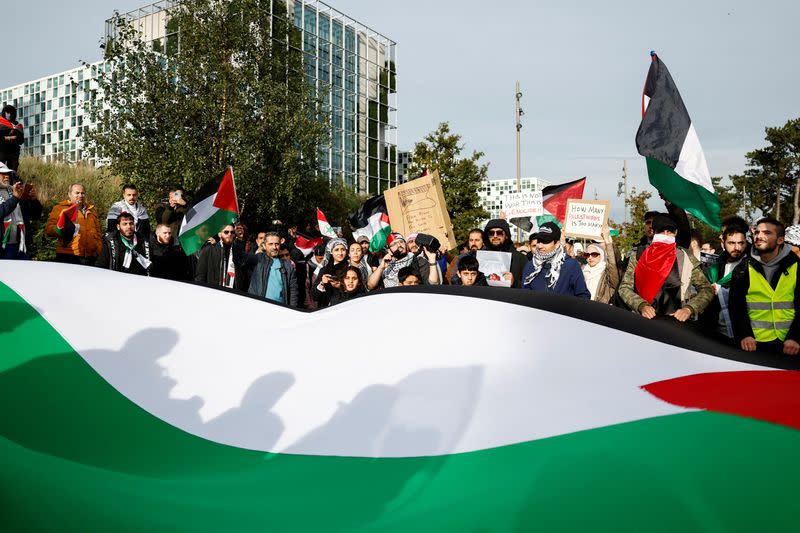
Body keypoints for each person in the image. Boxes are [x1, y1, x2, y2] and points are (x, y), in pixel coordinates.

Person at [618, 214, 713, 322]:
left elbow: (706, 289)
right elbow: (624, 288)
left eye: (670, 231)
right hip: (644, 320)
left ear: (676, 232)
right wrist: (641, 305)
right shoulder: (638, 255)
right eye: (661, 231)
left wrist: (689, 309)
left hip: (677, 323)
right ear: (653, 232)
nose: (666, 234)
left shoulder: (686, 257)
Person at [729, 217, 800, 355]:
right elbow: (736, 307)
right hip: (754, 347)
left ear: (780, 240)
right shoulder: (742, 269)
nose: (759, 236)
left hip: (792, 348)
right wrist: (745, 335)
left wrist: (795, 337)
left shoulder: (797, 267)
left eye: (767, 233)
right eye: (757, 232)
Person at [699, 224, 749, 340]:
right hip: (714, 332)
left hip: (740, 335)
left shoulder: (751, 267)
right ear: (723, 243)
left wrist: (720, 289)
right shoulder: (714, 268)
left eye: (741, 243)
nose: (737, 247)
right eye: (731, 243)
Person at [521, 222, 590, 298]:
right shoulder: (530, 265)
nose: (540, 246)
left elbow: (583, 295)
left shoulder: (570, 265)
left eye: (545, 241)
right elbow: (525, 295)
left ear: (557, 244)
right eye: (539, 241)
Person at [45, 183, 103, 265]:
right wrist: (61, 229)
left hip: (90, 257)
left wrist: (99, 250)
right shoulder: (60, 208)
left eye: (82, 193)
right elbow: (49, 229)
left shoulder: (91, 210)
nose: (80, 195)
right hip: (68, 255)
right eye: (77, 193)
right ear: (69, 194)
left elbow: (98, 232)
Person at [367, 233, 440, 289]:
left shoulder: (418, 260)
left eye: (401, 242)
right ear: (389, 250)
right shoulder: (385, 264)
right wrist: (381, 268)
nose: (399, 245)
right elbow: (370, 285)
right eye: (394, 244)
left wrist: (432, 259)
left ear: (406, 244)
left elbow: (433, 285)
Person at [0, 164, 42, 260]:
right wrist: (14, 198)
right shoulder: (15, 194)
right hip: (2, 247)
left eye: (8, 173)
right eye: (3, 173)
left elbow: (35, 215)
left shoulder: (15, 191)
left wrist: (34, 200)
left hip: (21, 245)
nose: (7, 176)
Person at [247, 232, 299, 306]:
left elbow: (293, 291)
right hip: (258, 307)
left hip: (281, 310)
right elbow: (240, 259)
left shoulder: (288, 266)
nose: (274, 247)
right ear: (264, 246)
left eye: (277, 244)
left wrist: (292, 310)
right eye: (270, 244)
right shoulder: (258, 259)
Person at [195, 223, 248, 290]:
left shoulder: (239, 252)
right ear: (219, 234)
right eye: (226, 232)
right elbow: (200, 276)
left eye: (232, 232)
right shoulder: (208, 250)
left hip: (233, 295)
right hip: (212, 294)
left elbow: (243, 278)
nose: (229, 234)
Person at [582, 225, 620, 304]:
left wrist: (608, 242)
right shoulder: (582, 270)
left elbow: (613, 265)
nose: (590, 257)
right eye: (587, 255)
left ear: (601, 255)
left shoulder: (606, 271)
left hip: (600, 310)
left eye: (594, 254)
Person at [483, 219, 526, 287]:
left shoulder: (520, 258)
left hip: (510, 296)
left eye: (499, 233)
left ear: (506, 235)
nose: (495, 236)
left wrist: (514, 282)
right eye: (491, 233)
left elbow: (529, 286)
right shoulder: (481, 257)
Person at [312, 238, 350, 308]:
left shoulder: (350, 269)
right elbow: (315, 297)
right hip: (325, 309)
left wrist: (342, 286)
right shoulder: (324, 270)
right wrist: (322, 284)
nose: (340, 253)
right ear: (331, 252)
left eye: (343, 249)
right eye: (336, 250)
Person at [0, 105, 24, 171]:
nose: (9, 115)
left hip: (14, 152)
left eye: (10, 113)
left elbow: (21, 140)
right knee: (1, 170)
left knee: (13, 171)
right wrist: (10, 137)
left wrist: (14, 137)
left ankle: (13, 180)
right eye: (7, 113)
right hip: (2, 151)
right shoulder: (0, 123)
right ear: (4, 113)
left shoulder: (18, 125)